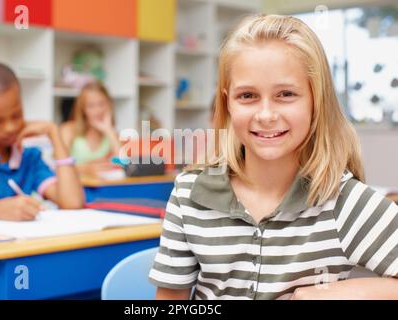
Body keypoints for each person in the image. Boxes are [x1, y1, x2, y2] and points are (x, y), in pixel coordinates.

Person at [149, 14, 398, 300]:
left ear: (316, 101)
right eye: (247, 96)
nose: (266, 115)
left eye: (286, 94)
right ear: (227, 103)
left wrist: (334, 294)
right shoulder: (188, 193)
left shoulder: (343, 201)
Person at [0, 62, 85, 221]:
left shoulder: (28, 157)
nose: (10, 128)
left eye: (16, 115)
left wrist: (55, 135)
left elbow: (73, 204)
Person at [60, 81, 121, 178]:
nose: (98, 110)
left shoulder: (112, 135)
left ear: (109, 105)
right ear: (83, 109)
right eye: (91, 106)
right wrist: (86, 169)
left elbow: (122, 164)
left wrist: (108, 130)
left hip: (101, 187)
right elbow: (59, 166)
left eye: (102, 104)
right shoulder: (68, 130)